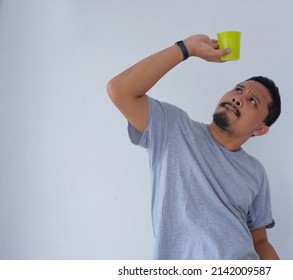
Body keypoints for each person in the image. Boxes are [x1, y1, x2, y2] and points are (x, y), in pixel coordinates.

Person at [107, 34, 281, 260]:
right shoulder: (174, 129)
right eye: (238, 90)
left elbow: (259, 241)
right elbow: (120, 90)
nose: (239, 98)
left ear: (260, 129)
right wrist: (186, 48)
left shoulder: (256, 171)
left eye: (252, 101)